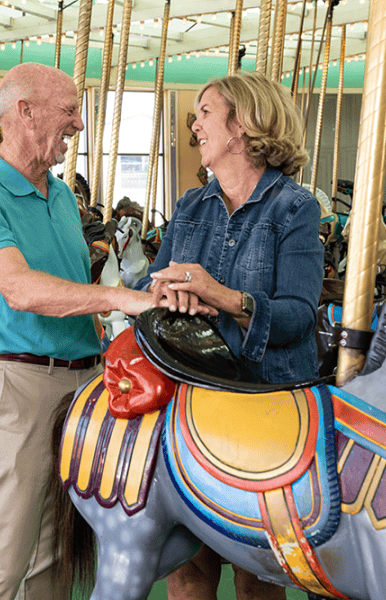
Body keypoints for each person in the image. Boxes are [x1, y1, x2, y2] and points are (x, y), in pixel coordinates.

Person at [0, 62, 161, 600]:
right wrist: (116, 298)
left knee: (57, 557)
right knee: (4, 554)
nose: (79, 124)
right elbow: (18, 287)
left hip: (82, 383)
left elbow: (73, 288)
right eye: (69, 110)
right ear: (25, 111)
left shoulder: (63, 197)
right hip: (20, 384)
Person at [135, 70, 324, 600]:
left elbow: (297, 317)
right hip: (193, 400)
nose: (194, 124)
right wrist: (166, 294)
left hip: (265, 405)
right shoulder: (191, 206)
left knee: (256, 573)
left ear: (242, 127)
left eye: (205, 113)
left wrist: (223, 296)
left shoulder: (295, 208)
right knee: (187, 569)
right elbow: (157, 282)